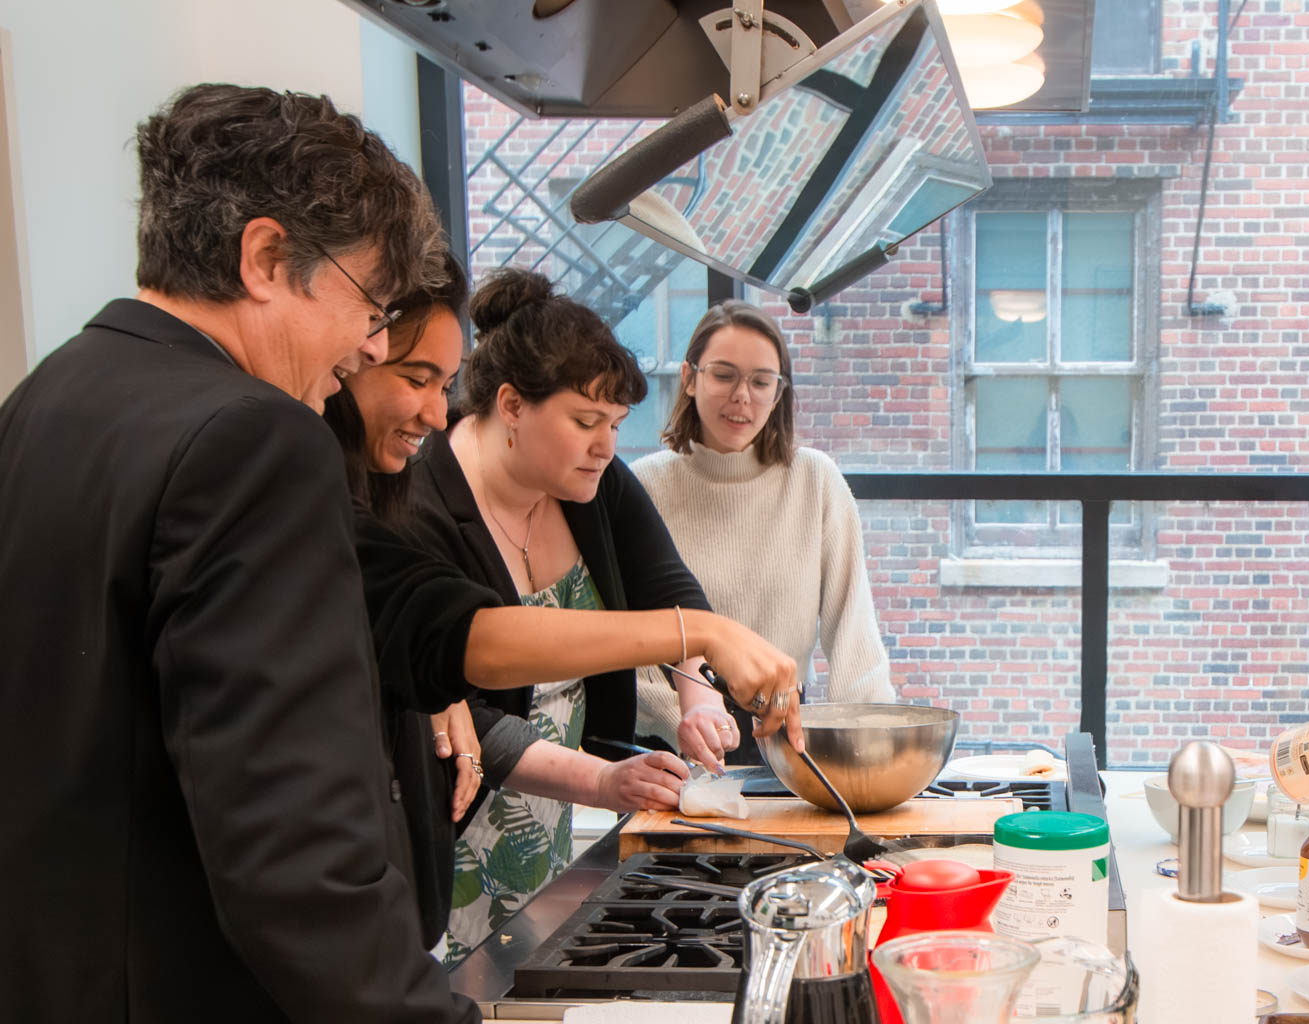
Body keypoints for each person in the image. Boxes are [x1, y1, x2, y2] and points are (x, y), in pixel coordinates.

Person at [0, 84, 475, 1022]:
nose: (364, 348)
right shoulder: (254, 439)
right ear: (265, 257)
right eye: (370, 305)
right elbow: (295, 851)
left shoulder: (41, 399)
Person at [327, 253, 746, 950]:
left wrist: (696, 694)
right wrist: (606, 781)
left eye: (615, 423)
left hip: (558, 815)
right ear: (512, 405)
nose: (606, 446)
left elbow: (665, 586)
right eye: (586, 421)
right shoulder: (417, 497)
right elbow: (472, 693)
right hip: (460, 817)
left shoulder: (592, 479)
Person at [631, 299, 898, 771]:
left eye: (760, 382)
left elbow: (854, 632)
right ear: (690, 378)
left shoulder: (815, 480)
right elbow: (624, 642)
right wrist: (681, 719)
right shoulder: (644, 486)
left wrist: (873, 750)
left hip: (781, 732)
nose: (742, 397)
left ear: (779, 394)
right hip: (667, 742)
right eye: (724, 375)